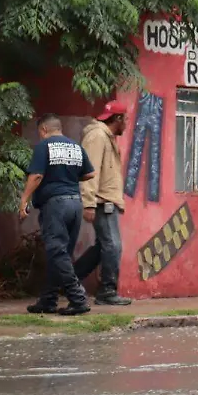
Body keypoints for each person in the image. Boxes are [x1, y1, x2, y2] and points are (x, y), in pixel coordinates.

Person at [19, 114, 95, 315]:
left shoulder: (44, 147)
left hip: (56, 205)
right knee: (60, 254)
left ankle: (78, 299)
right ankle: (48, 300)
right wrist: (68, 175)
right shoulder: (76, 147)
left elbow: (36, 175)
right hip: (75, 204)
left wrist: (24, 199)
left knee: (56, 252)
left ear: (43, 129)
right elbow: (89, 173)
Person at [76, 100, 133, 306]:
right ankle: (107, 291)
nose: (126, 124)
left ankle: (69, 279)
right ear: (117, 119)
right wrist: (89, 202)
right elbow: (90, 171)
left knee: (104, 247)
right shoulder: (98, 136)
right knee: (113, 246)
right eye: (125, 119)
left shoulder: (106, 137)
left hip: (107, 200)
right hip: (102, 202)